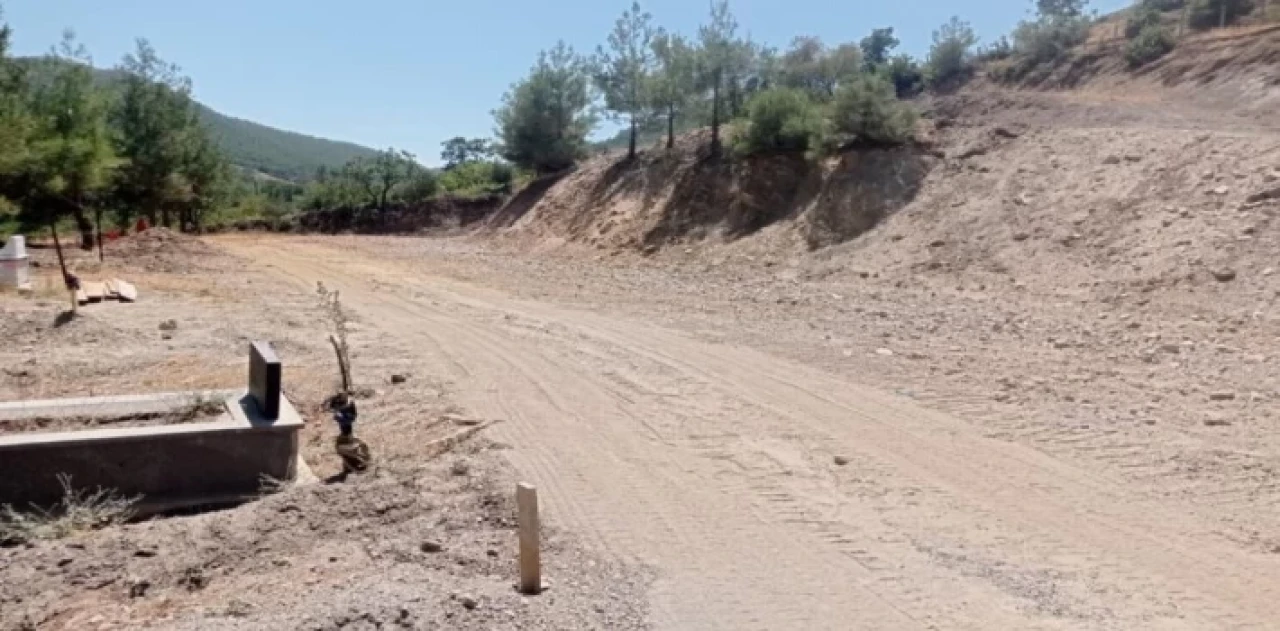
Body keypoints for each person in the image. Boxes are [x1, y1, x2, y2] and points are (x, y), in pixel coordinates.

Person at [330, 393, 370, 475]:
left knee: (343, 449)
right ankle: (349, 468)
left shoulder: (349, 410)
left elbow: (349, 419)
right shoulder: (343, 404)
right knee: (345, 450)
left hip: (347, 433)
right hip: (346, 431)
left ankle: (357, 467)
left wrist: (339, 417)